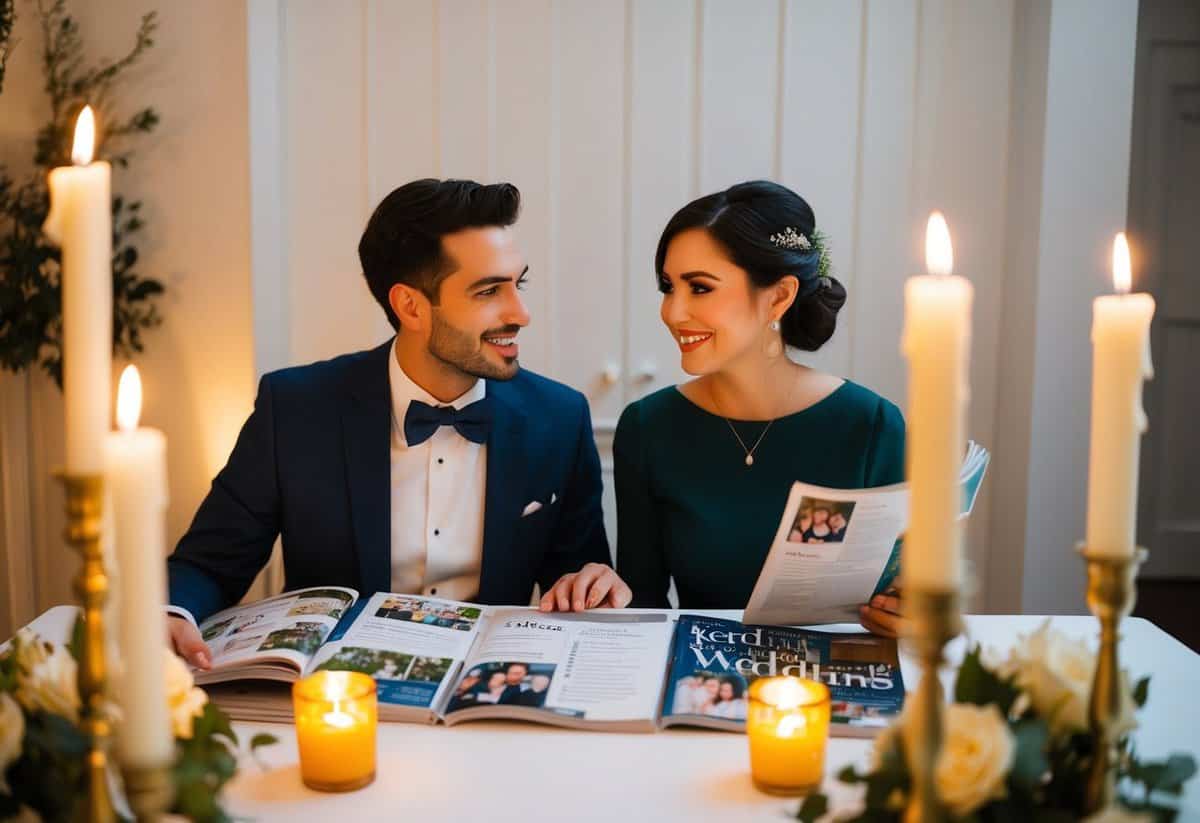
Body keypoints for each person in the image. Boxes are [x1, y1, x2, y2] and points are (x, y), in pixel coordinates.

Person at [167, 178, 631, 668]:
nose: (521, 313)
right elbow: (208, 564)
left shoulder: (559, 417)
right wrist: (172, 612)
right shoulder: (296, 409)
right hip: (334, 697)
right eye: (489, 291)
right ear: (410, 306)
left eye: (520, 284)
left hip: (483, 703)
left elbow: (576, 579)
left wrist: (591, 583)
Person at [613, 181, 905, 637]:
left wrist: (910, 612)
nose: (672, 311)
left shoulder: (872, 425)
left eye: (700, 288)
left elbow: (896, 598)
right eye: (669, 288)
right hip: (700, 683)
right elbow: (641, 604)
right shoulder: (647, 427)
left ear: (779, 297)